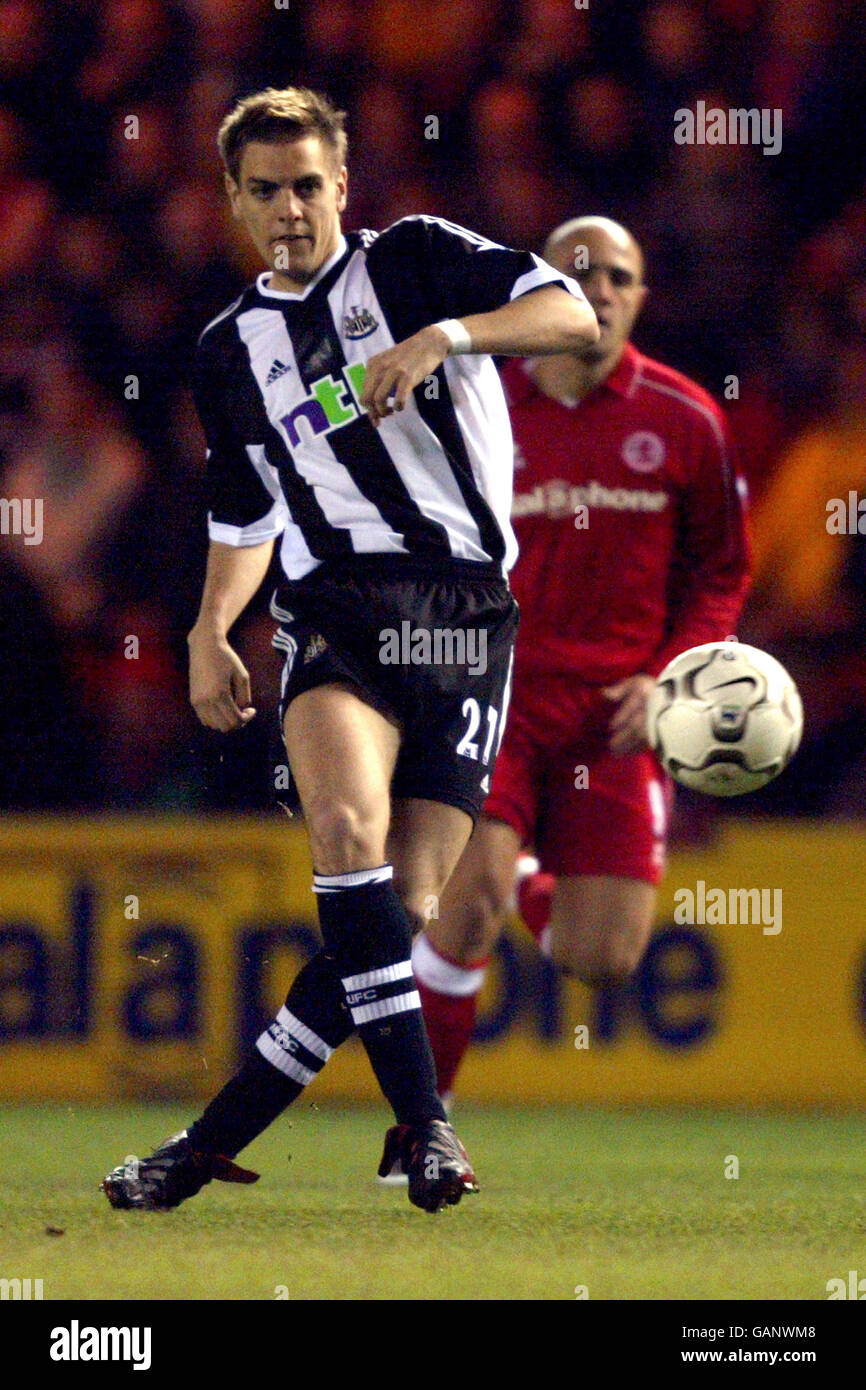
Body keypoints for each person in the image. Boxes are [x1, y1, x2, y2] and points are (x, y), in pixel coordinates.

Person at [100, 86, 598, 1214]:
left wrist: (444, 336)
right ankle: (427, 1128)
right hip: (337, 612)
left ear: (342, 187)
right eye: (264, 190)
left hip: (469, 613)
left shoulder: (417, 262)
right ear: (232, 199)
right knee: (345, 832)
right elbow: (244, 508)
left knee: (392, 917)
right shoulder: (228, 351)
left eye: (307, 185)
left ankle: (198, 1147)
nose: (288, 208)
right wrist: (209, 626)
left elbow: (570, 315)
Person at [409, 216, 751, 1107]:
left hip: (617, 712)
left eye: (620, 278)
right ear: (541, 289)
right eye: (579, 272)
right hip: (494, 697)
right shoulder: (475, 404)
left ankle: (528, 876)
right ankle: (423, 1131)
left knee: (600, 959)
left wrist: (676, 673)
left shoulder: (687, 420)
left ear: (640, 297)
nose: (599, 290)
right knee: (465, 901)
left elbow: (722, 573)